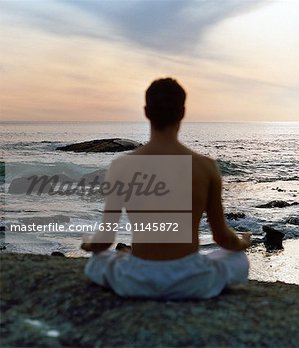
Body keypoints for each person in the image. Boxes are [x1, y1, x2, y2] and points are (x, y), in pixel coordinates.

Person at [81, 78, 251, 299]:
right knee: (237, 259)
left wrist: (88, 243)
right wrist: (242, 242)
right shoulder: (206, 166)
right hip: (192, 280)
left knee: (97, 262)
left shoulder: (121, 166)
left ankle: (128, 257)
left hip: (136, 280)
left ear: (146, 112)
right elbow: (222, 238)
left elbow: (104, 239)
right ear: (182, 112)